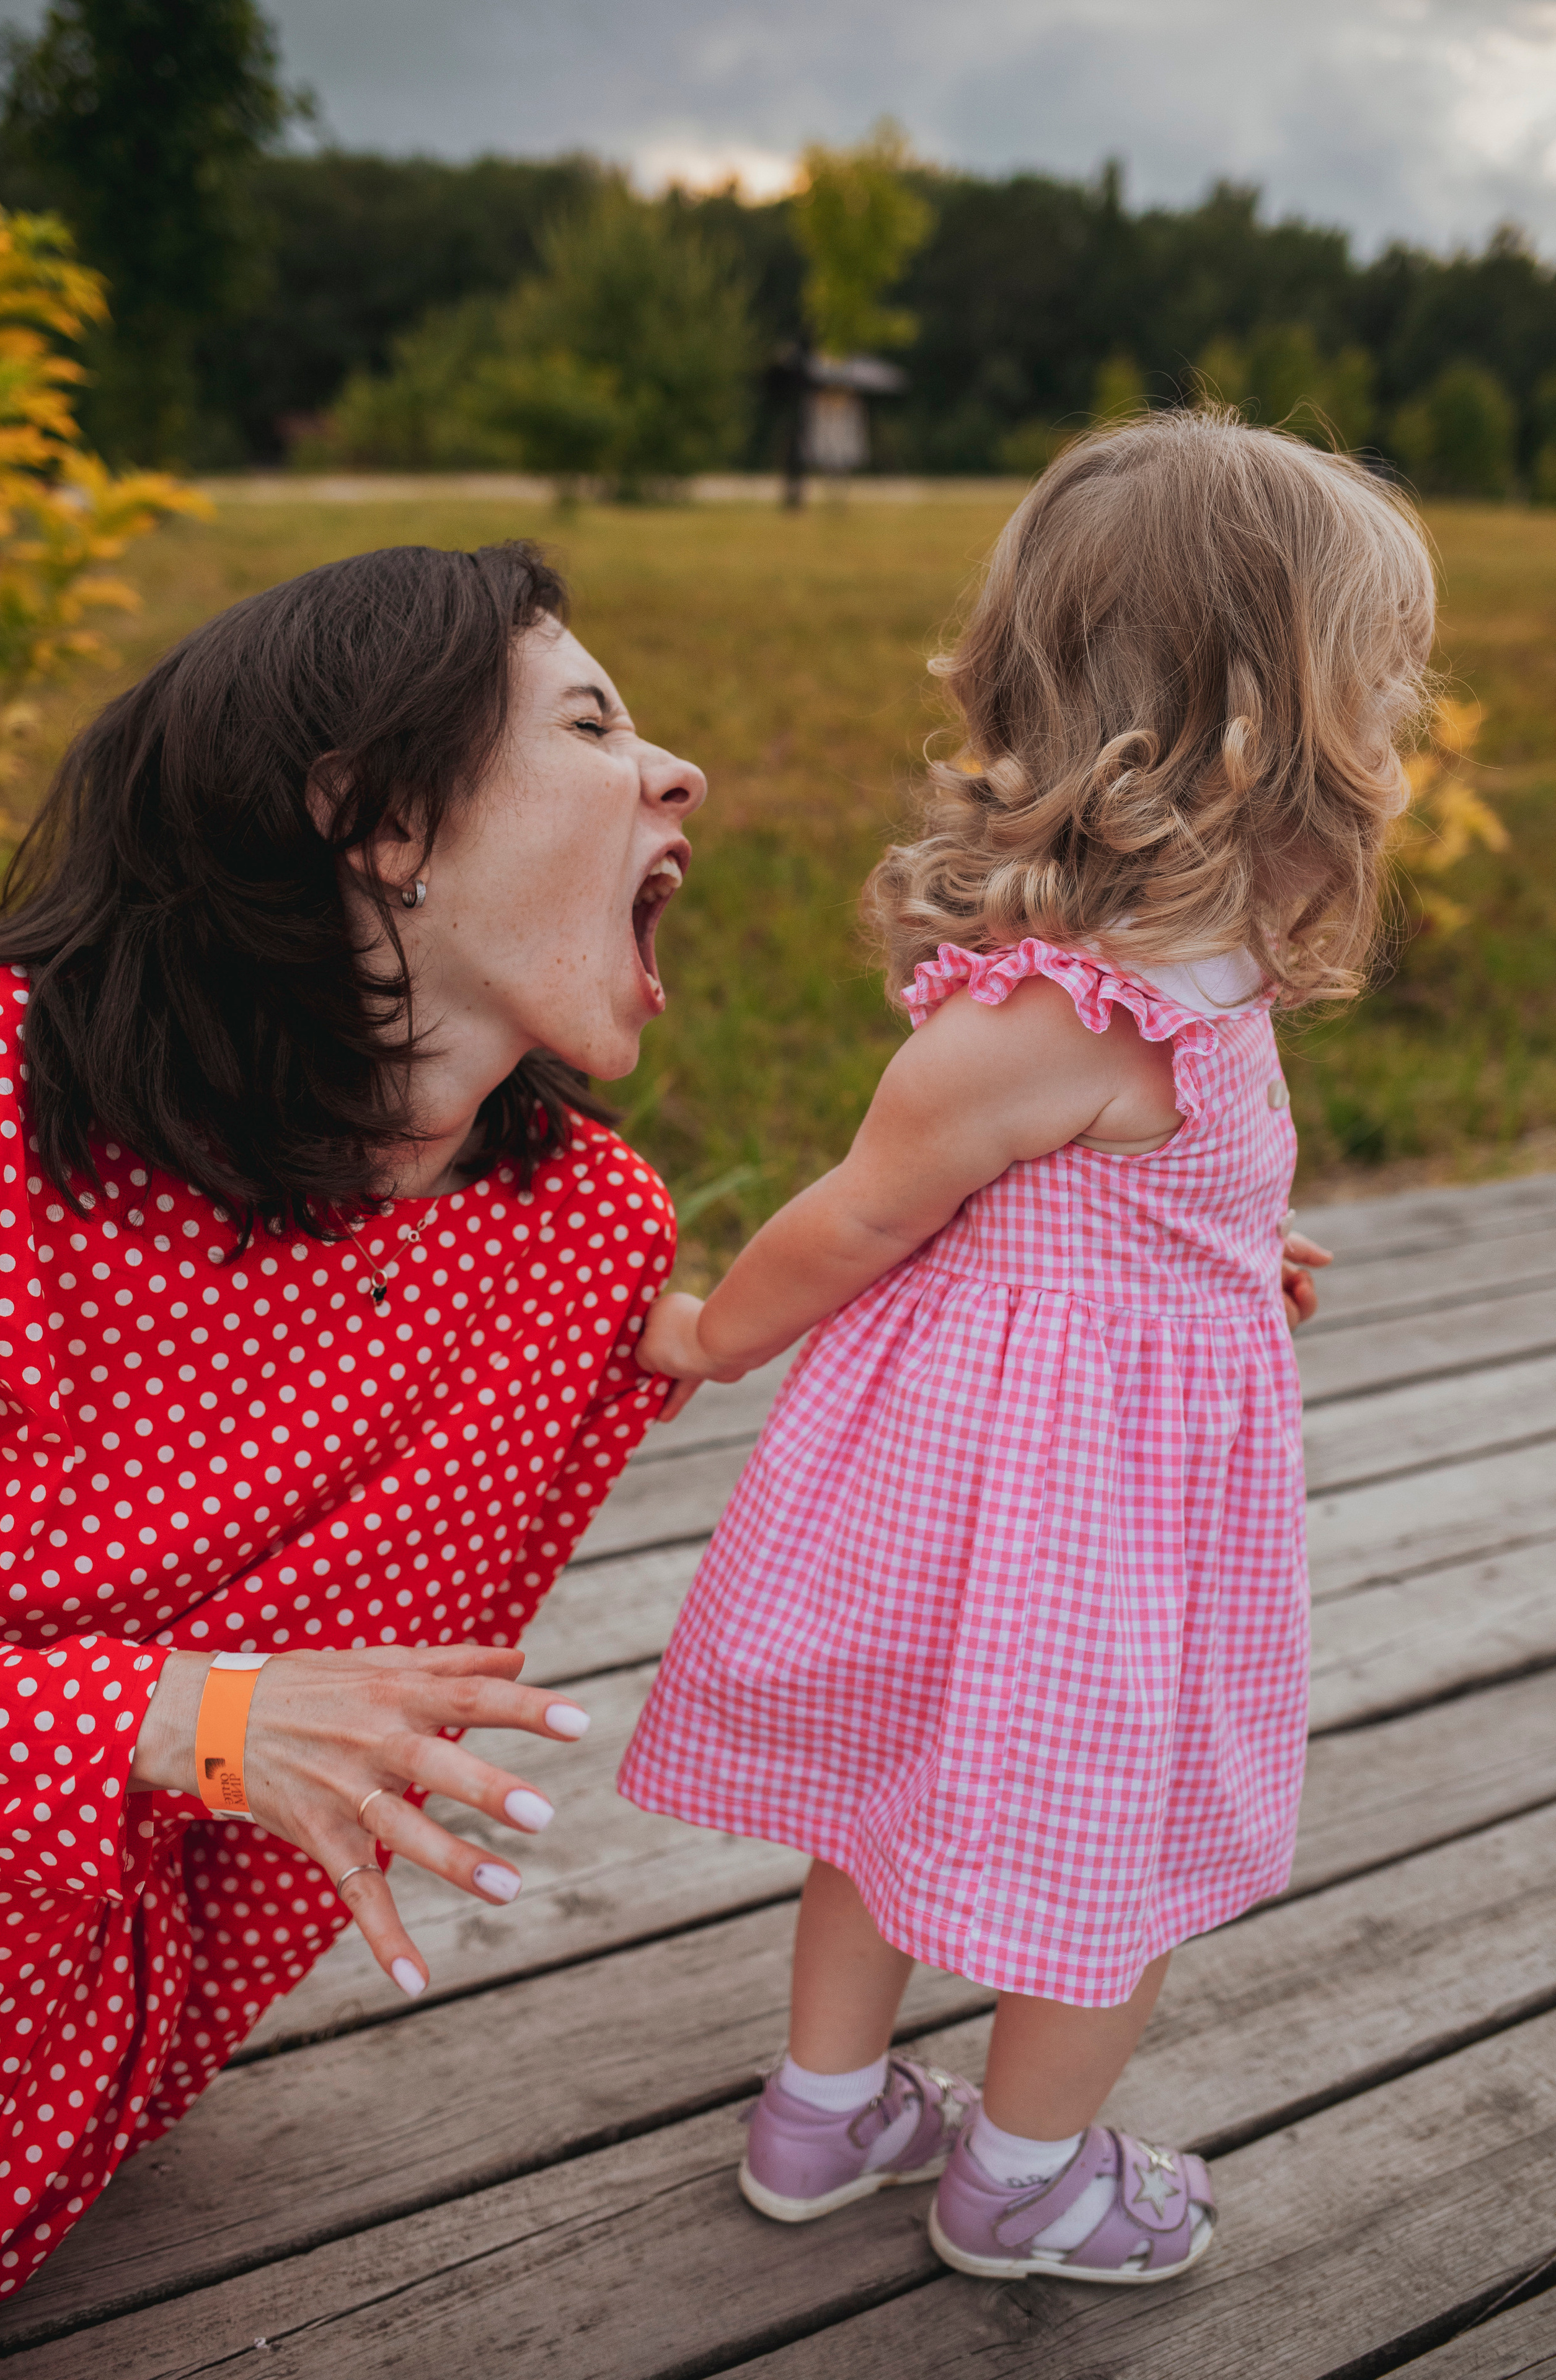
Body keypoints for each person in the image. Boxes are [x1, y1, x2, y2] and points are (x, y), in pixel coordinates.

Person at [621, 410, 1431, 2283]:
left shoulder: (1187, 962)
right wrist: (713, 1336)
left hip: (1039, 1462)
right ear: (1256, 720)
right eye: (1369, 684)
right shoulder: (1058, 1021)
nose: (1391, 726)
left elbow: (1119, 1192)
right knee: (1115, 1847)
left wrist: (1230, 1247)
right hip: (1075, 1518)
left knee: (887, 1790)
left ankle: (824, 2120)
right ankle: (1028, 2177)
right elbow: (862, 1212)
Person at [0, 540, 705, 2307]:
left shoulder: (575, 1241)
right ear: (376, 818)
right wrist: (162, 1717)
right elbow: (209, 1729)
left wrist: (1109, 1233)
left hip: (39, 2157)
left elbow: (796, 1316)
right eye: (594, 721)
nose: (679, 772)